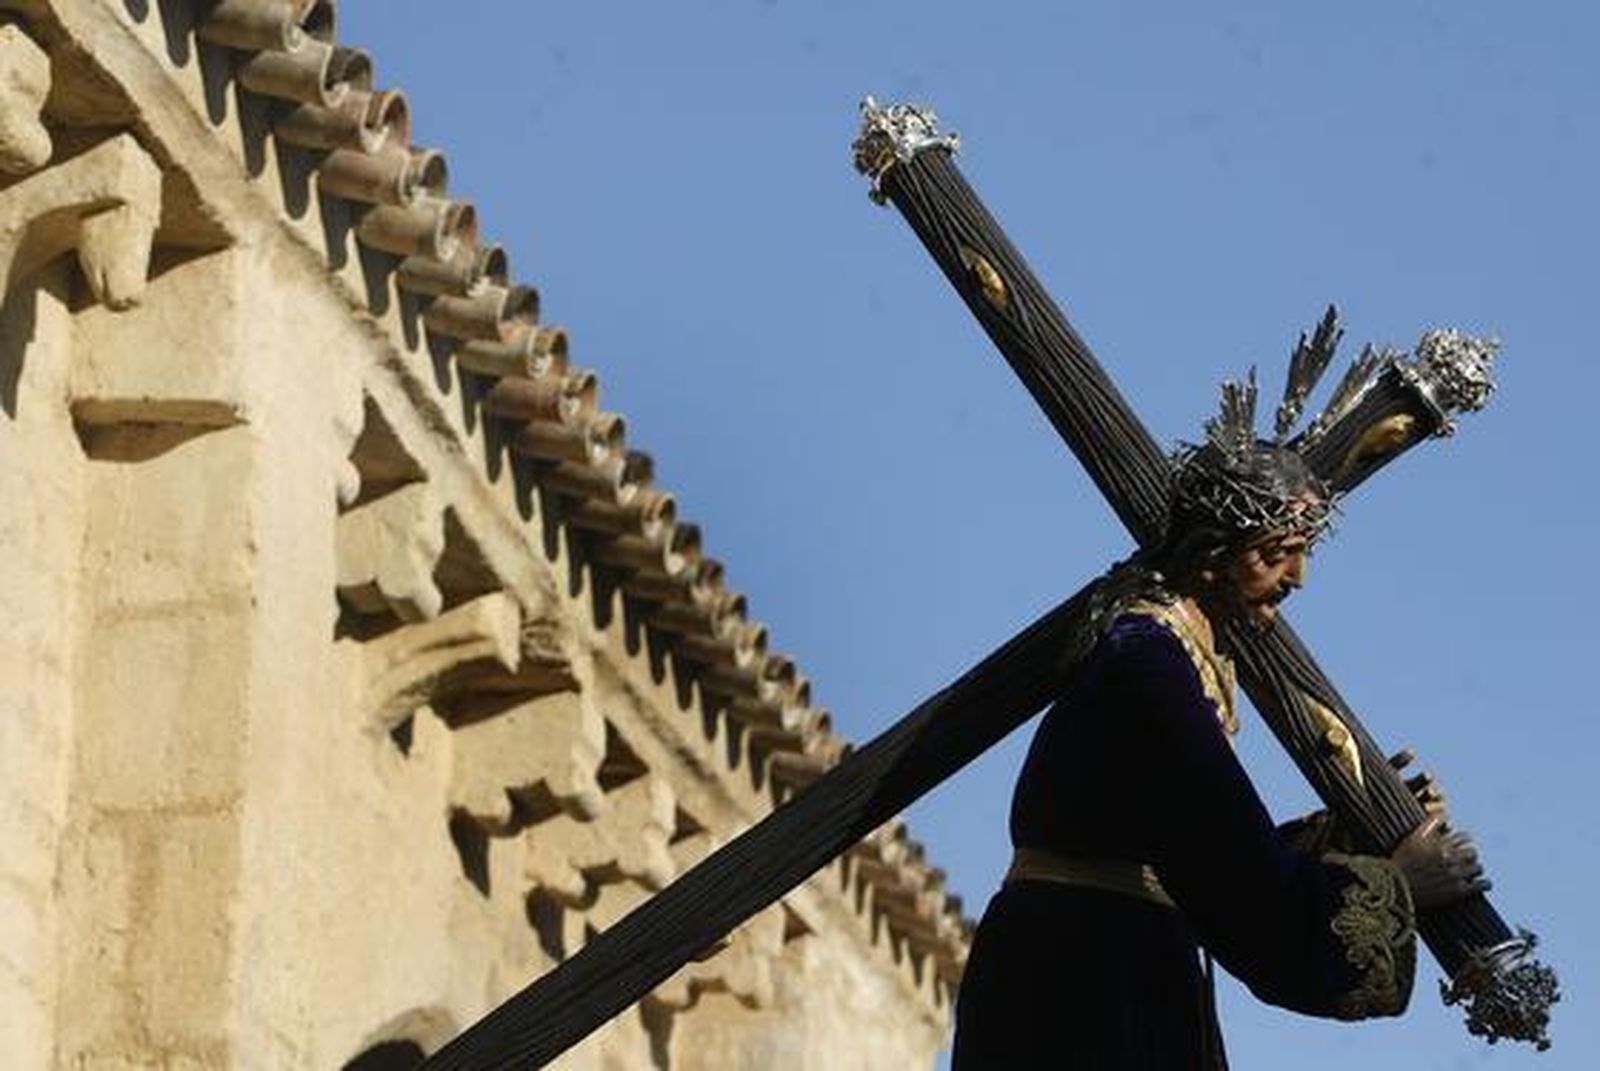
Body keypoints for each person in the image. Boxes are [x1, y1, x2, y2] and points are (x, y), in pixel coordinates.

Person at [951, 421, 1487, 1069]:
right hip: (1086, 985)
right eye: (1276, 553)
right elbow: (1242, 889)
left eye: (1304, 550)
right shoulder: (1147, 665)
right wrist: (1399, 884)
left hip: (1106, 963)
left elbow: (1196, 850)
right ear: (1212, 551)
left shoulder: (1173, 658)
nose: (1298, 577)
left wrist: (1342, 836)